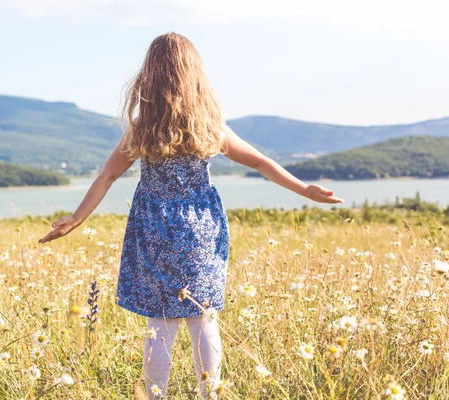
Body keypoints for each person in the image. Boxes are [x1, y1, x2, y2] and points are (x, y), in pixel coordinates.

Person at [38, 32, 344, 399]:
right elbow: (261, 162)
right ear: (195, 74)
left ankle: (154, 396)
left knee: (160, 325)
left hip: (154, 231)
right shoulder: (208, 125)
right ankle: (209, 395)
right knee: (204, 320)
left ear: (149, 74)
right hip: (201, 229)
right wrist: (305, 190)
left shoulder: (143, 127)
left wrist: (77, 217)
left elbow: (108, 175)